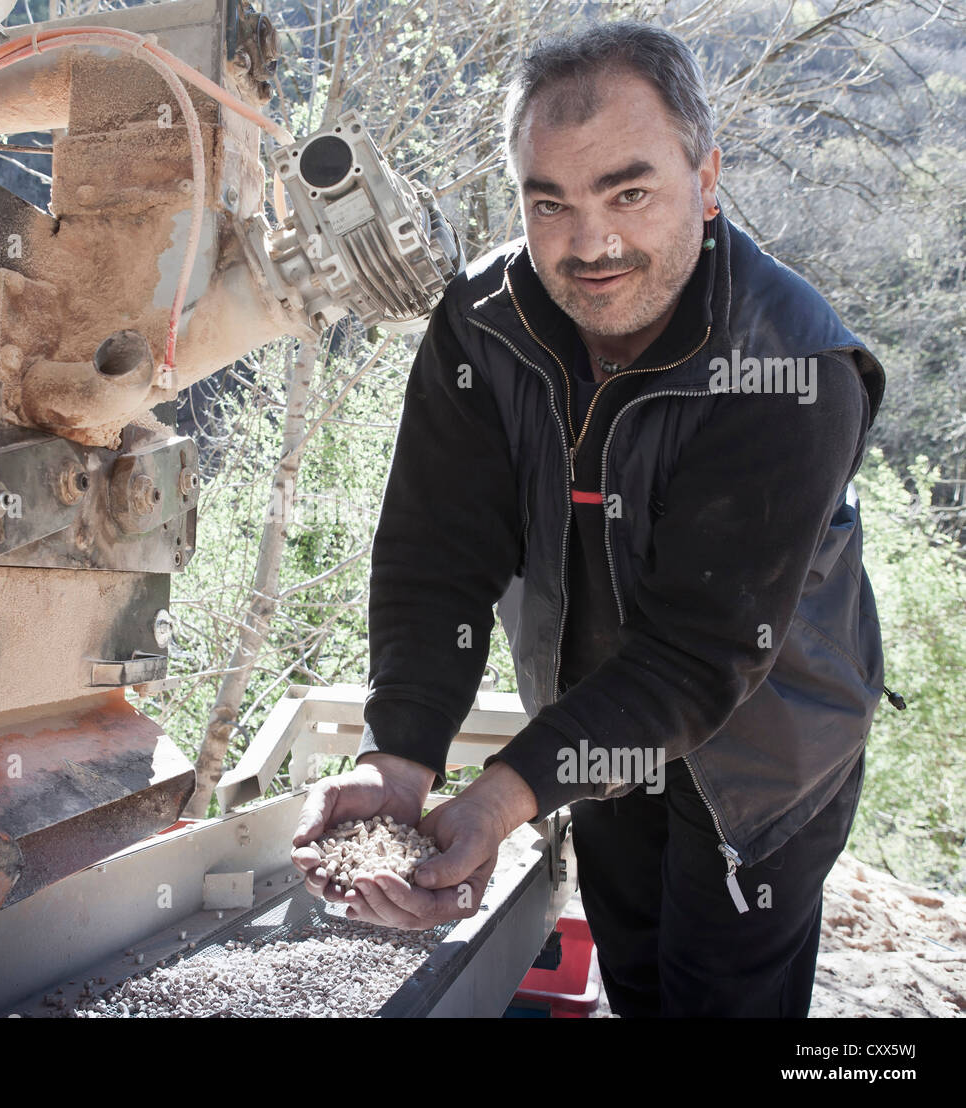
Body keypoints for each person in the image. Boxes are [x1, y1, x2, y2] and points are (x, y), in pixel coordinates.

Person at [290, 20, 894, 1018]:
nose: (590, 245)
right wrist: (397, 755)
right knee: (636, 972)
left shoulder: (791, 364)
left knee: (721, 996)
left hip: (765, 747)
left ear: (706, 179)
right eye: (549, 202)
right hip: (595, 728)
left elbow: (700, 655)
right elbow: (437, 555)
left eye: (629, 191)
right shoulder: (479, 327)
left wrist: (497, 797)